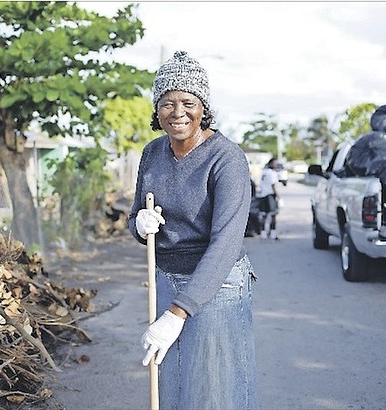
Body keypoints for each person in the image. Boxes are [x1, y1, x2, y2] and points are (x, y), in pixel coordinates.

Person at [128, 50, 258, 410]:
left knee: (214, 391)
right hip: (167, 278)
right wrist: (140, 224)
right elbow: (134, 215)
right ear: (157, 109)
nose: (178, 112)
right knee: (173, 386)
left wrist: (176, 313)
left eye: (188, 101)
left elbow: (226, 243)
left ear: (204, 108)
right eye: (167, 103)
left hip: (218, 283)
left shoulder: (226, 158)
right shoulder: (152, 153)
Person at [257, 157, 281, 240]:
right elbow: (273, 185)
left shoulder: (263, 172)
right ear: (271, 163)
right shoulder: (273, 173)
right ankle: (272, 233)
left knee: (263, 215)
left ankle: (263, 233)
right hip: (270, 195)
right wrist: (279, 196)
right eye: (275, 163)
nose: (276, 165)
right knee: (273, 214)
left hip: (262, 195)